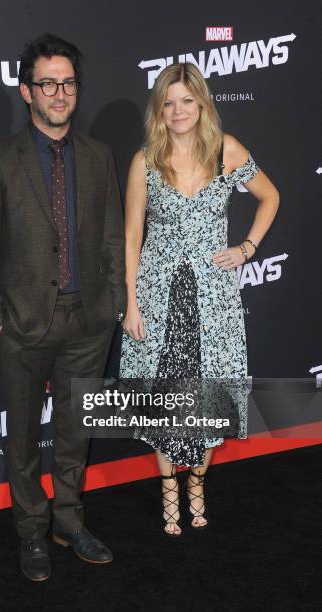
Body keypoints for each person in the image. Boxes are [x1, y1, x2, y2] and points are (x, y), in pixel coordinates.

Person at [0, 33, 126, 581]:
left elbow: (111, 237)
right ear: (25, 91)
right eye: (47, 84)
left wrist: (114, 303)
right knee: (21, 440)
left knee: (75, 433)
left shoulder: (99, 155)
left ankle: (68, 520)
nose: (59, 94)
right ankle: (32, 531)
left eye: (67, 83)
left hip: (89, 322)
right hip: (22, 324)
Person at [120, 63, 279, 536]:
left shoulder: (227, 151)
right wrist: (130, 302)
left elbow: (270, 197)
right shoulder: (144, 160)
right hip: (158, 295)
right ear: (159, 110)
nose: (178, 110)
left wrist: (246, 247)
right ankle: (170, 486)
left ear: (202, 103)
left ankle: (198, 482)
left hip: (214, 300)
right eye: (168, 102)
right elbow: (131, 235)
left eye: (187, 100)